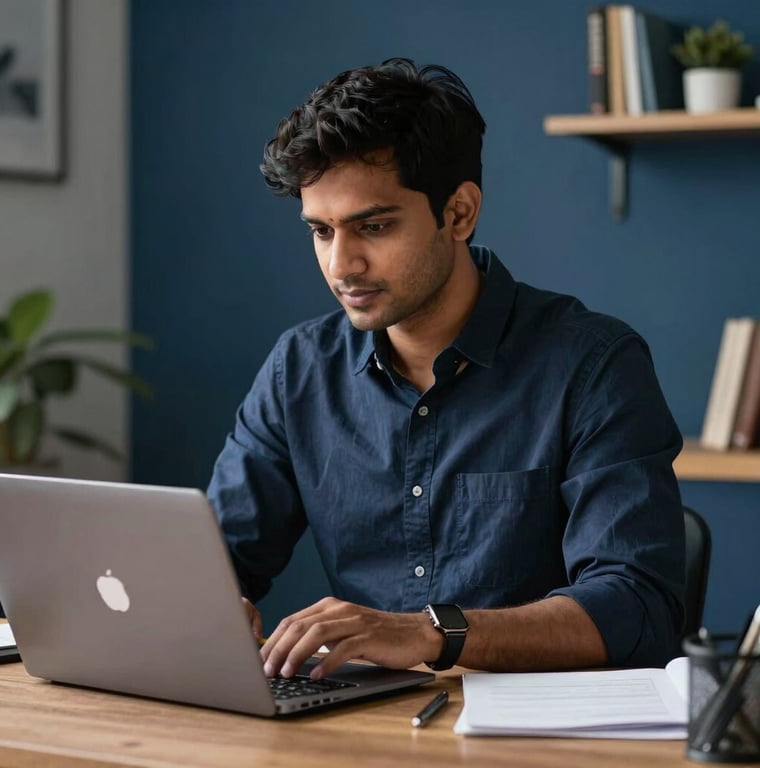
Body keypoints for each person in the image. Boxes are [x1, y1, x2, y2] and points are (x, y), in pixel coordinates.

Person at [207, 57, 684, 681]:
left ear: (458, 213)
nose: (341, 264)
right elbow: (214, 559)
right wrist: (206, 605)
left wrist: (429, 634)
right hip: (361, 727)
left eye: (372, 227)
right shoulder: (299, 369)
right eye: (320, 232)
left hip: (539, 737)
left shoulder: (593, 365)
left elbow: (638, 607)